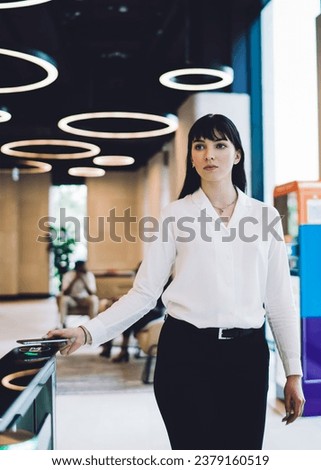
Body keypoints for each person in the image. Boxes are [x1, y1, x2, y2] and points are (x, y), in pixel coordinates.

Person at [48, 114, 305, 450]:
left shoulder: (264, 217)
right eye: (200, 146)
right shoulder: (174, 215)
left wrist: (293, 373)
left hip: (247, 359)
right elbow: (144, 293)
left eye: (220, 145)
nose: (209, 154)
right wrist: (87, 332)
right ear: (192, 157)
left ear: (237, 154)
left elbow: (280, 302)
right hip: (185, 357)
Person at [58, 260, 99, 326]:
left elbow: (92, 293)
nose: (85, 268)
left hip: (85, 299)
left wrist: (83, 280)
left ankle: (92, 323)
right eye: (83, 267)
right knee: (64, 299)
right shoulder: (68, 275)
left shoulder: (89, 275)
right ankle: (63, 323)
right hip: (72, 300)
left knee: (94, 299)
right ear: (77, 268)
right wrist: (75, 279)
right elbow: (65, 292)